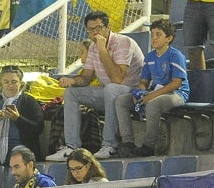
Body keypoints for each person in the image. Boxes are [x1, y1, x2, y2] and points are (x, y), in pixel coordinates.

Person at [46, 11, 145, 161]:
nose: (94, 33)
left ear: (108, 27)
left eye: (98, 28)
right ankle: (71, 147)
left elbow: (117, 79)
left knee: (111, 88)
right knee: (72, 93)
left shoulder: (123, 43)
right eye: (91, 30)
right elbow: (86, 77)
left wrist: (103, 50)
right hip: (109, 94)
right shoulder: (93, 48)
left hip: (133, 94)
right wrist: (72, 81)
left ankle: (109, 145)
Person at [114, 19, 189, 157]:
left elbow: (176, 83)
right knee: (121, 101)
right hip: (155, 92)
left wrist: (151, 96)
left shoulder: (176, 55)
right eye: (152, 34)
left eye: (158, 34)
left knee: (153, 104)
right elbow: (144, 81)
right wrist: (141, 91)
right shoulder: (149, 56)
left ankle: (149, 146)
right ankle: (128, 142)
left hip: (177, 94)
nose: (154, 38)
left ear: (169, 38)